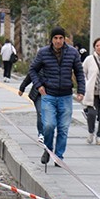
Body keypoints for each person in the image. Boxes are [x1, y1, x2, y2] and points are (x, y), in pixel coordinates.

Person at [29, 26, 85, 166]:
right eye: (55, 38)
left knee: (63, 128)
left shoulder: (72, 53)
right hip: (49, 95)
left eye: (61, 38)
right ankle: (48, 150)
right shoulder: (43, 53)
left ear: (64, 39)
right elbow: (32, 70)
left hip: (66, 96)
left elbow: (79, 72)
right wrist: (39, 85)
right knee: (48, 125)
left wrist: (81, 90)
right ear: (51, 39)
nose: (58, 41)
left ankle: (58, 156)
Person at [18, 74, 43, 142]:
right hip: (38, 94)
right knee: (41, 112)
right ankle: (41, 133)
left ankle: (48, 133)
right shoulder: (38, 64)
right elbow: (30, 75)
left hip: (53, 94)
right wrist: (22, 88)